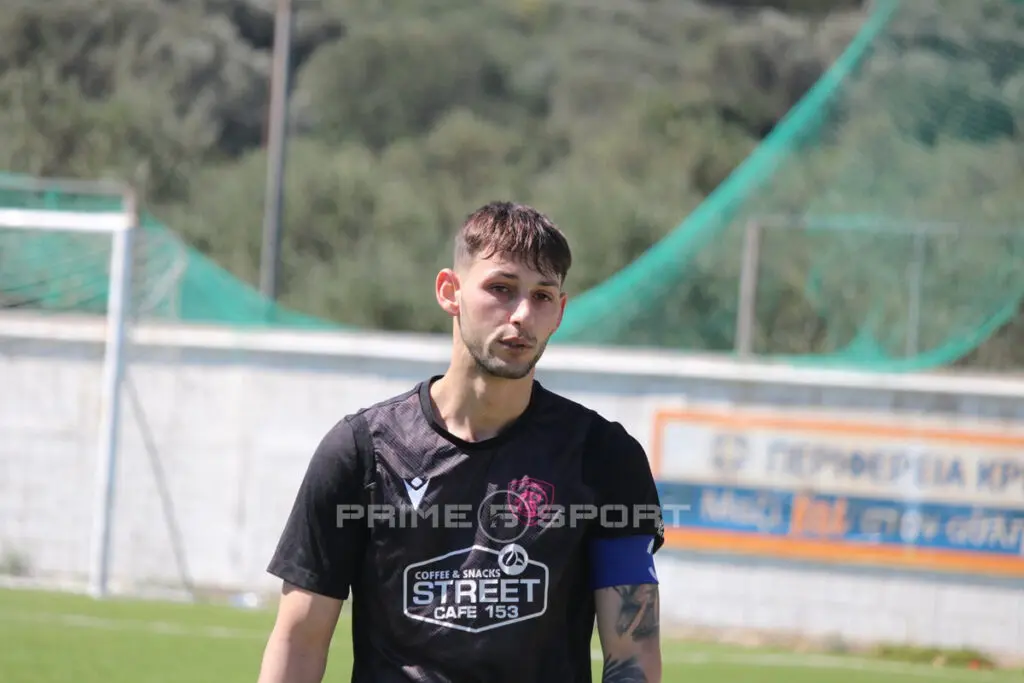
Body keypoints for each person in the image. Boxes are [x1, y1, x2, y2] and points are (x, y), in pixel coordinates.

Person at [257, 201, 665, 683]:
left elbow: (632, 654)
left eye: (541, 296)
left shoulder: (605, 457)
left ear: (559, 312)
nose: (521, 314)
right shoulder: (361, 451)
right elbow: (300, 640)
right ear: (450, 292)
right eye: (501, 288)